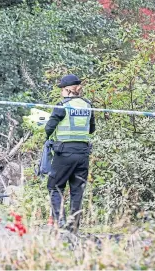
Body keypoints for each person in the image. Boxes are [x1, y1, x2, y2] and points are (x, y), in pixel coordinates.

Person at [45, 74, 95, 233]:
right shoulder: (88, 106)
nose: (61, 92)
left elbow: (48, 129)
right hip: (83, 153)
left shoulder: (62, 106)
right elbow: (92, 129)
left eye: (62, 89)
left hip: (64, 153)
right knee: (77, 190)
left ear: (67, 90)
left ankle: (61, 225)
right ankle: (73, 228)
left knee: (55, 187)